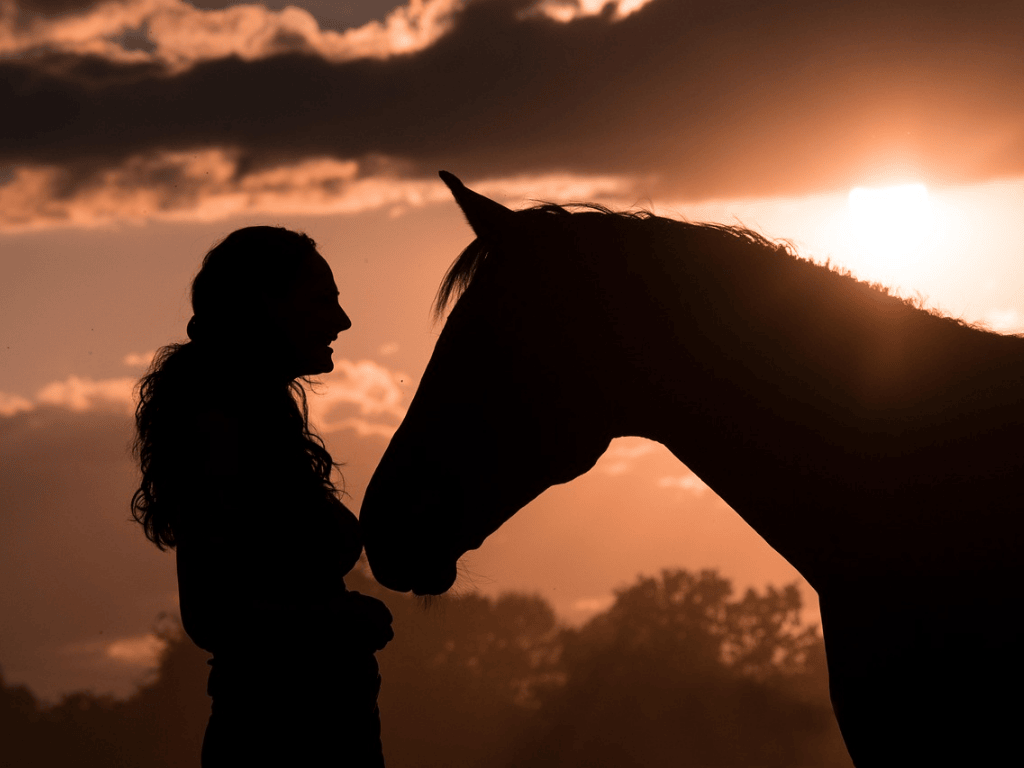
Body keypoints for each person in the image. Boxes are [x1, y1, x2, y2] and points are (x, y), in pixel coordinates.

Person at [131, 226, 393, 766]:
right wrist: (340, 619)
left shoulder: (251, 423)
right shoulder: (219, 430)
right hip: (277, 738)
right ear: (265, 308)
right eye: (323, 302)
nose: (342, 321)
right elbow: (214, 615)